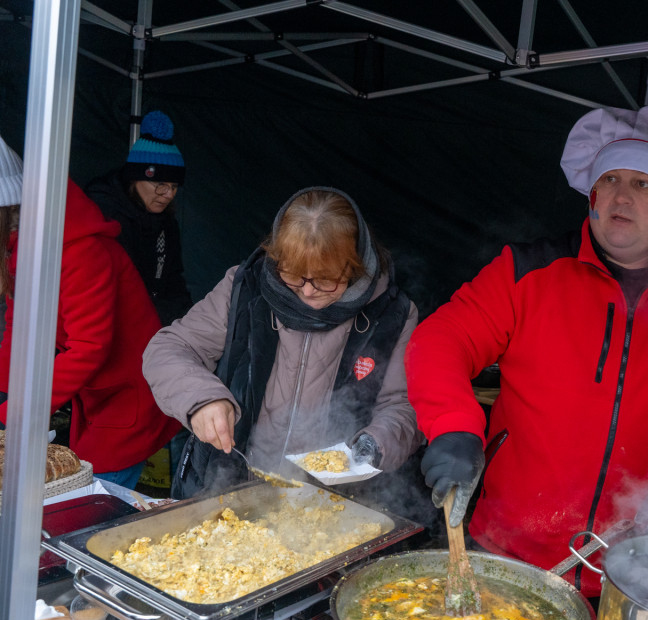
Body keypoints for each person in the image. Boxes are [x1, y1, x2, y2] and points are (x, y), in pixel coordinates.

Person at [404, 104, 648, 599]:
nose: (622, 195)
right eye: (611, 178)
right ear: (591, 192)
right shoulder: (529, 272)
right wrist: (453, 426)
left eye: (644, 184)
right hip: (505, 553)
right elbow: (441, 339)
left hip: (630, 569)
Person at [142, 187, 422, 499]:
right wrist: (202, 399)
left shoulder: (392, 314)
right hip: (228, 486)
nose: (308, 291)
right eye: (293, 274)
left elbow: (403, 405)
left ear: (355, 265)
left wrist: (376, 443)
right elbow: (168, 348)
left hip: (330, 503)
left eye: (326, 279)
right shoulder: (246, 289)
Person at [0, 132, 181, 489]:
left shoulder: (81, 251)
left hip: (130, 398)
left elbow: (89, 347)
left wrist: (18, 415)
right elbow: (16, 330)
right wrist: (6, 395)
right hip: (95, 396)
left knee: (91, 497)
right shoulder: (20, 248)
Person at [85, 110, 192, 327]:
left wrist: (184, 324)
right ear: (135, 179)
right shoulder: (104, 216)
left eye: (173, 187)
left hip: (153, 326)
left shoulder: (165, 222)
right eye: (160, 185)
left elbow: (173, 281)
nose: (168, 194)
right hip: (111, 325)